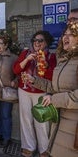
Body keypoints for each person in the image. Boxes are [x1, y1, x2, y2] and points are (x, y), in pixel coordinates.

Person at [25, 19, 78, 157]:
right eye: (64, 34)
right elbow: (55, 87)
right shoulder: (64, 60)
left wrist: (54, 99)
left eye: (71, 34)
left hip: (73, 127)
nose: (65, 37)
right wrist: (34, 80)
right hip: (60, 123)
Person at [13, 30, 57, 157]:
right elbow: (16, 69)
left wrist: (46, 64)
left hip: (42, 92)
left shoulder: (51, 57)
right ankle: (28, 146)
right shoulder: (26, 53)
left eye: (40, 40)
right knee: (26, 119)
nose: (37, 43)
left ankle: (44, 148)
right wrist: (26, 59)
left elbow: (52, 78)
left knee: (42, 121)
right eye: (35, 40)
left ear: (46, 42)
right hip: (24, 90)